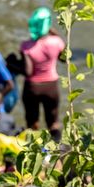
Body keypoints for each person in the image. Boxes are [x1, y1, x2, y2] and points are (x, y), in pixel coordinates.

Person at [19, 7, 66, 138]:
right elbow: (64, 59)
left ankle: (33, 153)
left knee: (32, 124)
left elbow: (28, 71)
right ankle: (57, 154)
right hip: (51, 87)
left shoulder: (26, 45)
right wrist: (56, 35)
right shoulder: (56, 42)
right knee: (53, 123)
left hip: (32, 88)